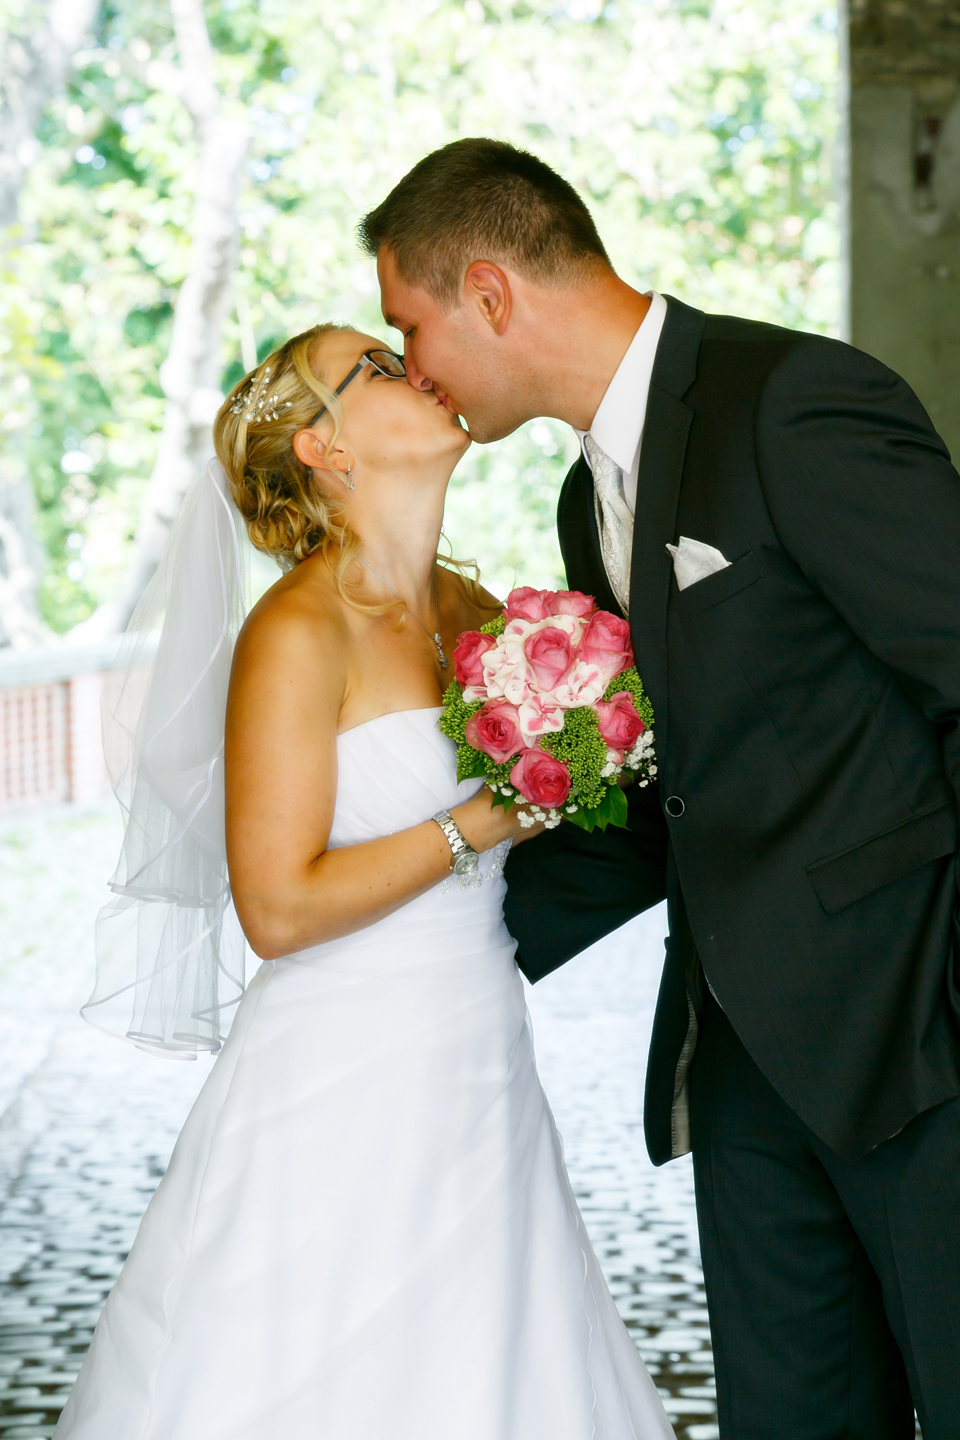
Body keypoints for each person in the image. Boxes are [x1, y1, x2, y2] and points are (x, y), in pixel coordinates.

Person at [361, 136, 960, 1440]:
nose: (414, 367)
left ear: (490, 291)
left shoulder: (792, 399)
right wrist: (428, 955)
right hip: (741, 1071)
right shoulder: (593, 501)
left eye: (412, 327)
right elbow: (648, 798)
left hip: (920, 1042)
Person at [54, 322, 675, 1440]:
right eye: (375, 371)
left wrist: (602, 736)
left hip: (477, 1047)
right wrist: (486, 814)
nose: (415, 370)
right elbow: (279, 908)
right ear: (325, 450)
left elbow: (548, 798)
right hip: (339, 1072)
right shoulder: (296, 633)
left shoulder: (479, 619)